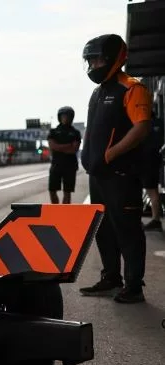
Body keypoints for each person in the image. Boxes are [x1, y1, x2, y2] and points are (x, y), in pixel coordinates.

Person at [79, 33, 153, 304]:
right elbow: (92, 131)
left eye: (97, 59)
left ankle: (134, 286)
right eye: (90, 60)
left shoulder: (132, 88)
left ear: (113, 58)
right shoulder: (98, 92)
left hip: (121, 174)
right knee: (104, 229)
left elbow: (142, 127)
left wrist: (110, 154)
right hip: (98, 175)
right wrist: (88, 157)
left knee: (127, 229)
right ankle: (111, 277)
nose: (93, 65)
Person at [46, 106, 82, 204]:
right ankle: (56, 211)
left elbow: (74, 149)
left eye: (68, 116)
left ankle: (64, 213)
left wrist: (59, 147)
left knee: (67, 192)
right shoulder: (53, 132)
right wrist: (68, 145)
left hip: (70, 166)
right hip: (56, 164)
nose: (66, 118)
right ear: (59, 117)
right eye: (63, 116)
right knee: (52, 190)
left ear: (72, 117)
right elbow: (52, 146)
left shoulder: (75, 133)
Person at [142, 107, 164, 231]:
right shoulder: (159, 122)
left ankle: (156, 219)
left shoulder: (145, 124)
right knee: (153, 189)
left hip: (146, 160)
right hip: (155, 159)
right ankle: (156, 218)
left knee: (150, 190)